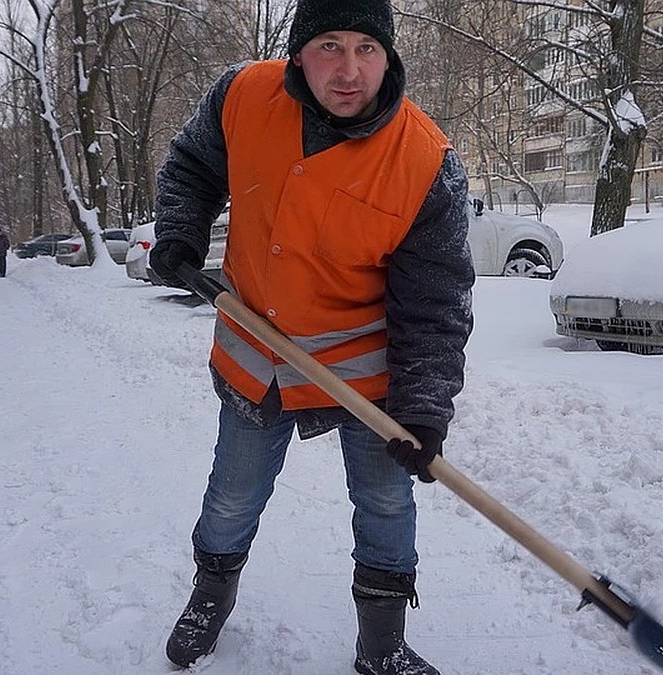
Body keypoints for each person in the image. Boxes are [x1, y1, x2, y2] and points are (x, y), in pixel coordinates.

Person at [150, 0, 474, 672]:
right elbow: (191, 166)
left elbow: (435, 305)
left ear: (390, 54)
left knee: (386, 502)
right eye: (329, 44)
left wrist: (423, 407)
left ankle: (381, 642)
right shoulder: (243, 96)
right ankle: (210, 595)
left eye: (366, 47)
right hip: (257, 358)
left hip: (368, 380)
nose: (349, 70)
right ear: (298, 51)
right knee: (232, 494)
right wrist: (180, 231)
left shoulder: (425, 161)